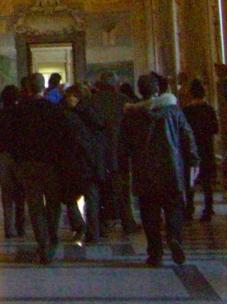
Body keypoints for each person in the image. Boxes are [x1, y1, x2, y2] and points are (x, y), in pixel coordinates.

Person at [120, 74, 198, 266]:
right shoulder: (173, 111)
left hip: (144, 170)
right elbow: (187, 136)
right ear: (157, 90)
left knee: (149, 213)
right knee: (174, 208)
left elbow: (124, 145)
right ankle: (174, 237)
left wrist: (123, 167)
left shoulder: (132, 115)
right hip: (171, 168)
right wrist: (194, 160)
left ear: (140, 91)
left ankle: (155, 253)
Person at [11, 72, 70, 263]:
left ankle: (43, 243)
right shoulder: (53, 109)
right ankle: (52, 235)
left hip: (28, 164)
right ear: (43, 87)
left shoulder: (20, 110)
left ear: (28, 88)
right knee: (53, 203)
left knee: (35, 205)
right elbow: (64, 136)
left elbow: (14, 140)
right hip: (51, 164)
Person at [89, 72, 137, 233]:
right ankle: (127, 222)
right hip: (120, 152)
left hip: (98, 153)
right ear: (115, 84)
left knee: (100, 189)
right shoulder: (124, 101)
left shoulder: (91, 101)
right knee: (122, 190)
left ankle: (100, 224)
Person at [59, 85, 107, 243]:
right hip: (92, 161)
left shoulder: (66, 115)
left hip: (74, 161)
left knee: (70, 196)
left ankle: (80, 225)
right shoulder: (94, 111)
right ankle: (94, 232)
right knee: (91, 198)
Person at [0, 85, 26, 237]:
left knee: (6, 192)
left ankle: (8, 227)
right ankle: (20, 225)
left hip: (2, 155)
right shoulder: (21, 113)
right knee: (20, 192)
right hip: (18, 156)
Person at [182, 79, 218, 222]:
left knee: (190, 180)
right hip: (207, 148)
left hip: (192, 148)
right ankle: (208, 208)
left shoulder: (187, 111)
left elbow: (184, 131)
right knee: (206, 181)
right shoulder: (209, 109)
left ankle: (189, 209)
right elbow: (215, 129)